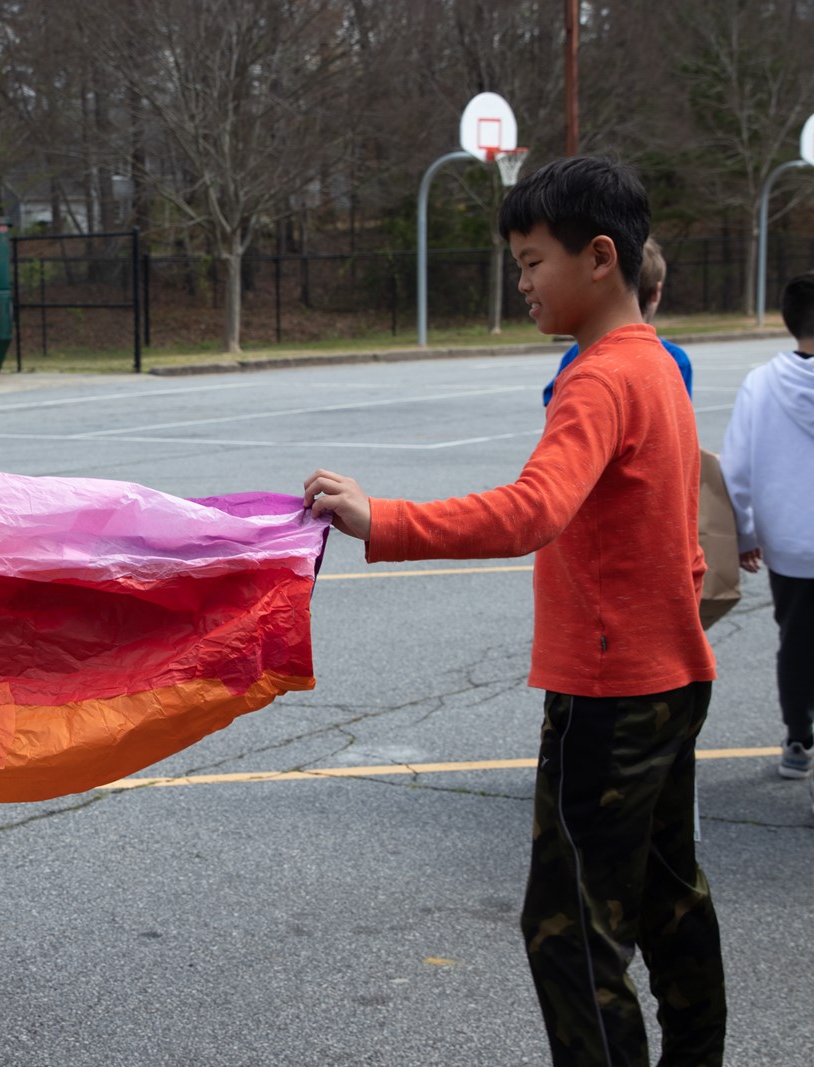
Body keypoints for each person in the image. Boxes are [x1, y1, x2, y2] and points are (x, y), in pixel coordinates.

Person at [303, 157, 725, 1066]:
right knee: (667, 897)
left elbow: (535, 508)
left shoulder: (598, 378)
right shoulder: (657, 365)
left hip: (610, 697)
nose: (521, 281)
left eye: (534, 262)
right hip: (669, 680)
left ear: (600, 257)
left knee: (568, 928)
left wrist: (386, 519)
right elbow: (681, 539)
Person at [720, 272, 814, 781]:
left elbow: (736, 469)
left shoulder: (762, 382)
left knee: (796, 644)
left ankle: (799, 738)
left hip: (791, 543)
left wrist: (745, 534)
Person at [542, 235, 692, 406]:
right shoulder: (674, 358)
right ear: (656, 292)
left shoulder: (579, 351)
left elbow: (553, 402)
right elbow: (678, 422)